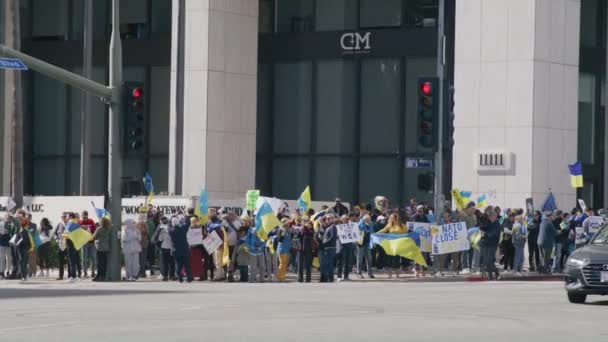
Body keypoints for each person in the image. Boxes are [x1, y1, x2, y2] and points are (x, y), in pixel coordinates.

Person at [376, 213, 408, 278]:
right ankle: (389, 274)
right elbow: (384, 230)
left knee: (397, 259)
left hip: (398, 244)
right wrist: (375, 233)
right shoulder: (390, 224)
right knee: (389, 259)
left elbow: (406, 232)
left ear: (396, 218)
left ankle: (397, 274)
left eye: (392, 218)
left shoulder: (402, 225)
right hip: (390, 244)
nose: (390, 219)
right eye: (390, 218)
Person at [170, 216, 193, 283]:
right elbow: (188, 223)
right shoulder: (182, 229)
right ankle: (189, 277)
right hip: (184, 249)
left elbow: (168, 227)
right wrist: (185, 217)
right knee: (187, 265)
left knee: (178, 265)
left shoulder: (171, 231)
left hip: (176, 250)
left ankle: (180, 278)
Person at [479, 207, 500, 280]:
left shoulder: (497, 222)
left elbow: (495, 233)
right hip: (486, 243)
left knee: (489, 260)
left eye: (492, 216)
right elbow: (483, 228)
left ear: (495, 216)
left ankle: (496, 271)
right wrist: (481, 225)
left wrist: (487, 234)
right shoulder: (488, 221)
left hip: (493, 244)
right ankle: (490, 275)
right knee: (486, 261)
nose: (490, 218)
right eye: (489, 216)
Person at [152, 216, 175, 281]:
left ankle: (165, 276)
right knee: (171, 262)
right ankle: (171, 276)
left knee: (164, 263)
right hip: (171, 247)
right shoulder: (171, 228)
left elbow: (158, 238)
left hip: (163, 247)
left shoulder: (160, 228)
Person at [92, 217, 111, 281]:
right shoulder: (109, 229)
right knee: (105, 263)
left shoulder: (99, 229)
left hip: (100, 248)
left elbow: (94, 237)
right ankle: (103, 276)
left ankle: (98, 276)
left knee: (99, 263)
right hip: (107, 248)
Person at [320, 214, 338, 282]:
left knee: (329, 263)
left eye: (329, 218)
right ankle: (329, 278)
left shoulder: (333, 227)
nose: (327, 220)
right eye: (327, 219)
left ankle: (330, 278)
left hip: (330, 248)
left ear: (333, 219)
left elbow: (332, 237)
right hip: (328, 247)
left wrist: (325, 243)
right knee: (327, 264)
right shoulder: (328, 227)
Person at [79, 210, 97, 279]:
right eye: (83, 216)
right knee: (84, 258)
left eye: (86, 215)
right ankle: (85, 272)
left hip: (91, 242)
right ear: (82, 216)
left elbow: (95, 231)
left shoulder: (91, 221)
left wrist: (88, 229)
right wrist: (81, 228)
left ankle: (93, 272)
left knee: (93, 258)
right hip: (84, 242)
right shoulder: (80, 222)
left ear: (87, 215)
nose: (84, 217)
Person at [357, 215, 375, 279]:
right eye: (368, 220)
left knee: (369, 259)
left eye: (370, 220)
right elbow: (357, 232)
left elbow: (372, 232)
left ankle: (370, 273)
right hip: (360, 243)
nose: (370, 221)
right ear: (365, 220)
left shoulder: (371, 223)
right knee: (360, 259)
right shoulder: (359, 224)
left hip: (367, 242)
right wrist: (365, 232)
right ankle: (359, 273)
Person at [297, 218, 315, 283]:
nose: (305, 223)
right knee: (300, 265)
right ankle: (300, 279)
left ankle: (308, 279)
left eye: (306, 222)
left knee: (308, 265)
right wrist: (301, 230)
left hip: (309, 249)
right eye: (303, 221)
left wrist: (306, 228)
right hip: (300, 249)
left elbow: (311, 234)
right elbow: (297, 236)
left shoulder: (311, 230)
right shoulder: (300, 229)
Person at [276, 218, 292, 282]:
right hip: (282, 249)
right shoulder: (280, 230)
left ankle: (283, 276)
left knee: (285, 264)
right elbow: (279, 239)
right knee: (282, 263)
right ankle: (279, 276)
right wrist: (283, 233)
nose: (288, 224)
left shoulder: (288, 230)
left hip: (287, 249)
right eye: (287, 222)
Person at [0, 214, 15, 279]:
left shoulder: (11, 225)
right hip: (2, 243)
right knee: (2, 259)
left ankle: (8, 271)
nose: (7, 219)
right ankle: (2, 272)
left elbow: (12, 233)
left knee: (9, 259)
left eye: (9, 218)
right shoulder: (1, 224)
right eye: (6, 217)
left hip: (9, 244)